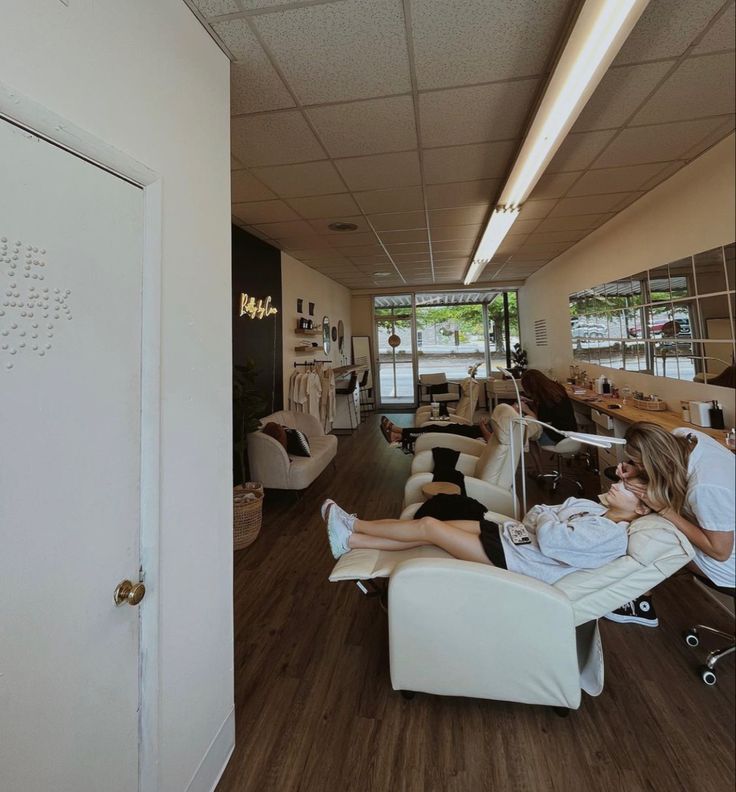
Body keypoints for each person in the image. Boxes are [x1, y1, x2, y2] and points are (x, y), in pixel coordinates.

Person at [322, 479, 652, 585]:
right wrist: (551, 521)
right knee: (427, 530)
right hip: (511, 535)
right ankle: (351, 539)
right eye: (621, 481)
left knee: (428, 525)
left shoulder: (610, 535)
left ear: (642, 508)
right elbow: (538, 513)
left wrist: (551, 521)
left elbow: (550, 535)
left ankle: (353, 524)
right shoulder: (593, 507)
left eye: (626, 488)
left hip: (513, 559)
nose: (615, 483)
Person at [605, 422, 735, 627]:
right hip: (723, 532)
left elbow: (720, 552)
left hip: (728, 564)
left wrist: (664, 510)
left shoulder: (705, 487)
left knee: (649, 530)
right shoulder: (683, 437)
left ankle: (640, 604)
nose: (638, 467)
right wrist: (637, 470)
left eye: (640, 463)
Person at [519, 369, 578, 476]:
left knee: (529, 435)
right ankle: (539, 470)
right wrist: (530, 402)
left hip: (558, 436)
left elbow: (540, 423)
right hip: (572, 431)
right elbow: (551, 412)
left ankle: (539, 471)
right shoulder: (556, 388)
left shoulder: (545, 399)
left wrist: (526, 409)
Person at [379, 415, 493, 450]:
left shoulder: (505, 434)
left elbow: (490, 440)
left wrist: (482, 425)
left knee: (430, 433)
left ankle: (397, 435)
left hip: (465, 436)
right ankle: (399, 433)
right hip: (465, 430)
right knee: (432, 427)